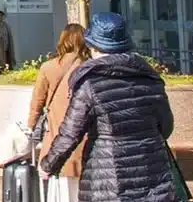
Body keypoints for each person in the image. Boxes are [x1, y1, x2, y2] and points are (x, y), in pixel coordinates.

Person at [42, 12, 177, 202]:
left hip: (107, 180)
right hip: (153, 175)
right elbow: (166, 127)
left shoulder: (90, 83)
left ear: (92, 46)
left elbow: (70, 134)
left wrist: (49, 165)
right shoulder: (150, 78)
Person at [27, 23, 89, 202]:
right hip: (86, 139)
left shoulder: (48, 67)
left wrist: (31, 127)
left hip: (57, 137)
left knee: (62, 189)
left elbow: (37, 103)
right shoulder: (90, 66)